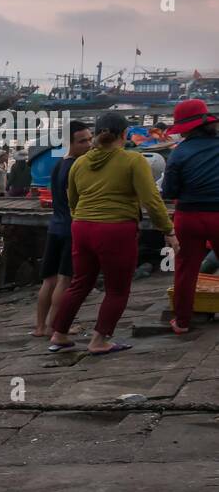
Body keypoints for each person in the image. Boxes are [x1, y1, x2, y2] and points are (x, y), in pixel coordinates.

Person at [49, 112, 178, 355]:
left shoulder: (79, 163)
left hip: (82, 227)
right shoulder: (133, 160)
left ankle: (59, 334)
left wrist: (83, 218)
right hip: (116, 228)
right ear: (124, 134)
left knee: (79, 283)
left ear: (97, 134)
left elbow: (72, 200)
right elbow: (151, 200)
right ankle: (99, 340)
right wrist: (168, 230)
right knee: (117, 288)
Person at [162, 99, 219, 334]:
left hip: (188, 217)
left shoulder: (178, 153)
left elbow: (169, 192)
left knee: (186, 269)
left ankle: (182, 322)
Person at [33, 122, 93, 338]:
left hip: (55, 226)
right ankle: (54, 326)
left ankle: (40, 327)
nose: (89, 144)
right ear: (70, 143)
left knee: (49, 280)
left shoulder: (59, 165)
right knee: (64, 279)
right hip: (70, 228)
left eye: (89, 139)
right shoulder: (75, 167)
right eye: (83, 141)